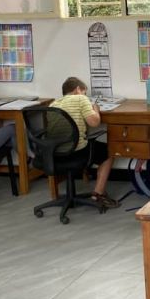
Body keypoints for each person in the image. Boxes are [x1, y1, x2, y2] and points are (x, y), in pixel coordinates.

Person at [51, 77, 118, 208]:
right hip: (76, 152)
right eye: (84, 93)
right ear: (78, 90)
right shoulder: (81, 99)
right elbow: (94, 122)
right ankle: (98, 193)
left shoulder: (53, 104)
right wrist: (95, 109)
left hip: (55, 153)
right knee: (110, 152)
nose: (85, 96)